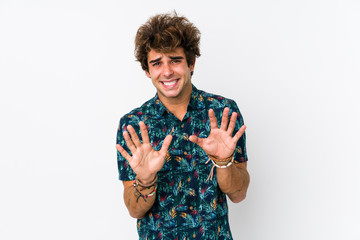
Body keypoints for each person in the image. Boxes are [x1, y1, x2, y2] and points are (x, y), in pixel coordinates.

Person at [116, 12, 250, 240]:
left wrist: (223, 162)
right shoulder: (133, 126)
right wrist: (146, 179)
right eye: (157, 63)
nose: (167, 71)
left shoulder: (223, 112)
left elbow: (238, 194)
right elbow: (134, 209)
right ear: (147, 71)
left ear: (191, 62)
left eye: (175, 60)